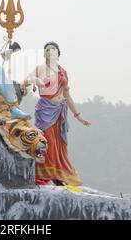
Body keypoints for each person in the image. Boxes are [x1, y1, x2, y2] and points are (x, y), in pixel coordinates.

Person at [22, 42, 91, 186]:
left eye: (53, 49)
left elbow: (67, 95)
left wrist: (78, 116)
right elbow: (26, 80)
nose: (50, 51)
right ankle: (44, 175)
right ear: (44, 54)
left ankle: (59, 176)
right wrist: (35, 80)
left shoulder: (62, 72)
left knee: (60, 145)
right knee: (47, 142)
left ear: (58, 54)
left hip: (60, 111)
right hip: (46, 110)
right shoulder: (40, 68)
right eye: (47, 50)